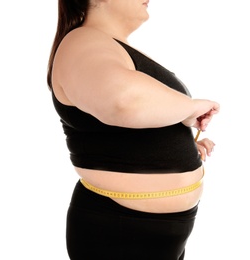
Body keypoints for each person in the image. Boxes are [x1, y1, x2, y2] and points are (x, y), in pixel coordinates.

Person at [47, 1, 220, 259]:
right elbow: (122, 100)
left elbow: (128, 123)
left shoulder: (109, 46)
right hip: (118, 232)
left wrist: (180, 143)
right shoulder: (81, 41)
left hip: (150, 232)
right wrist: (190, 108)